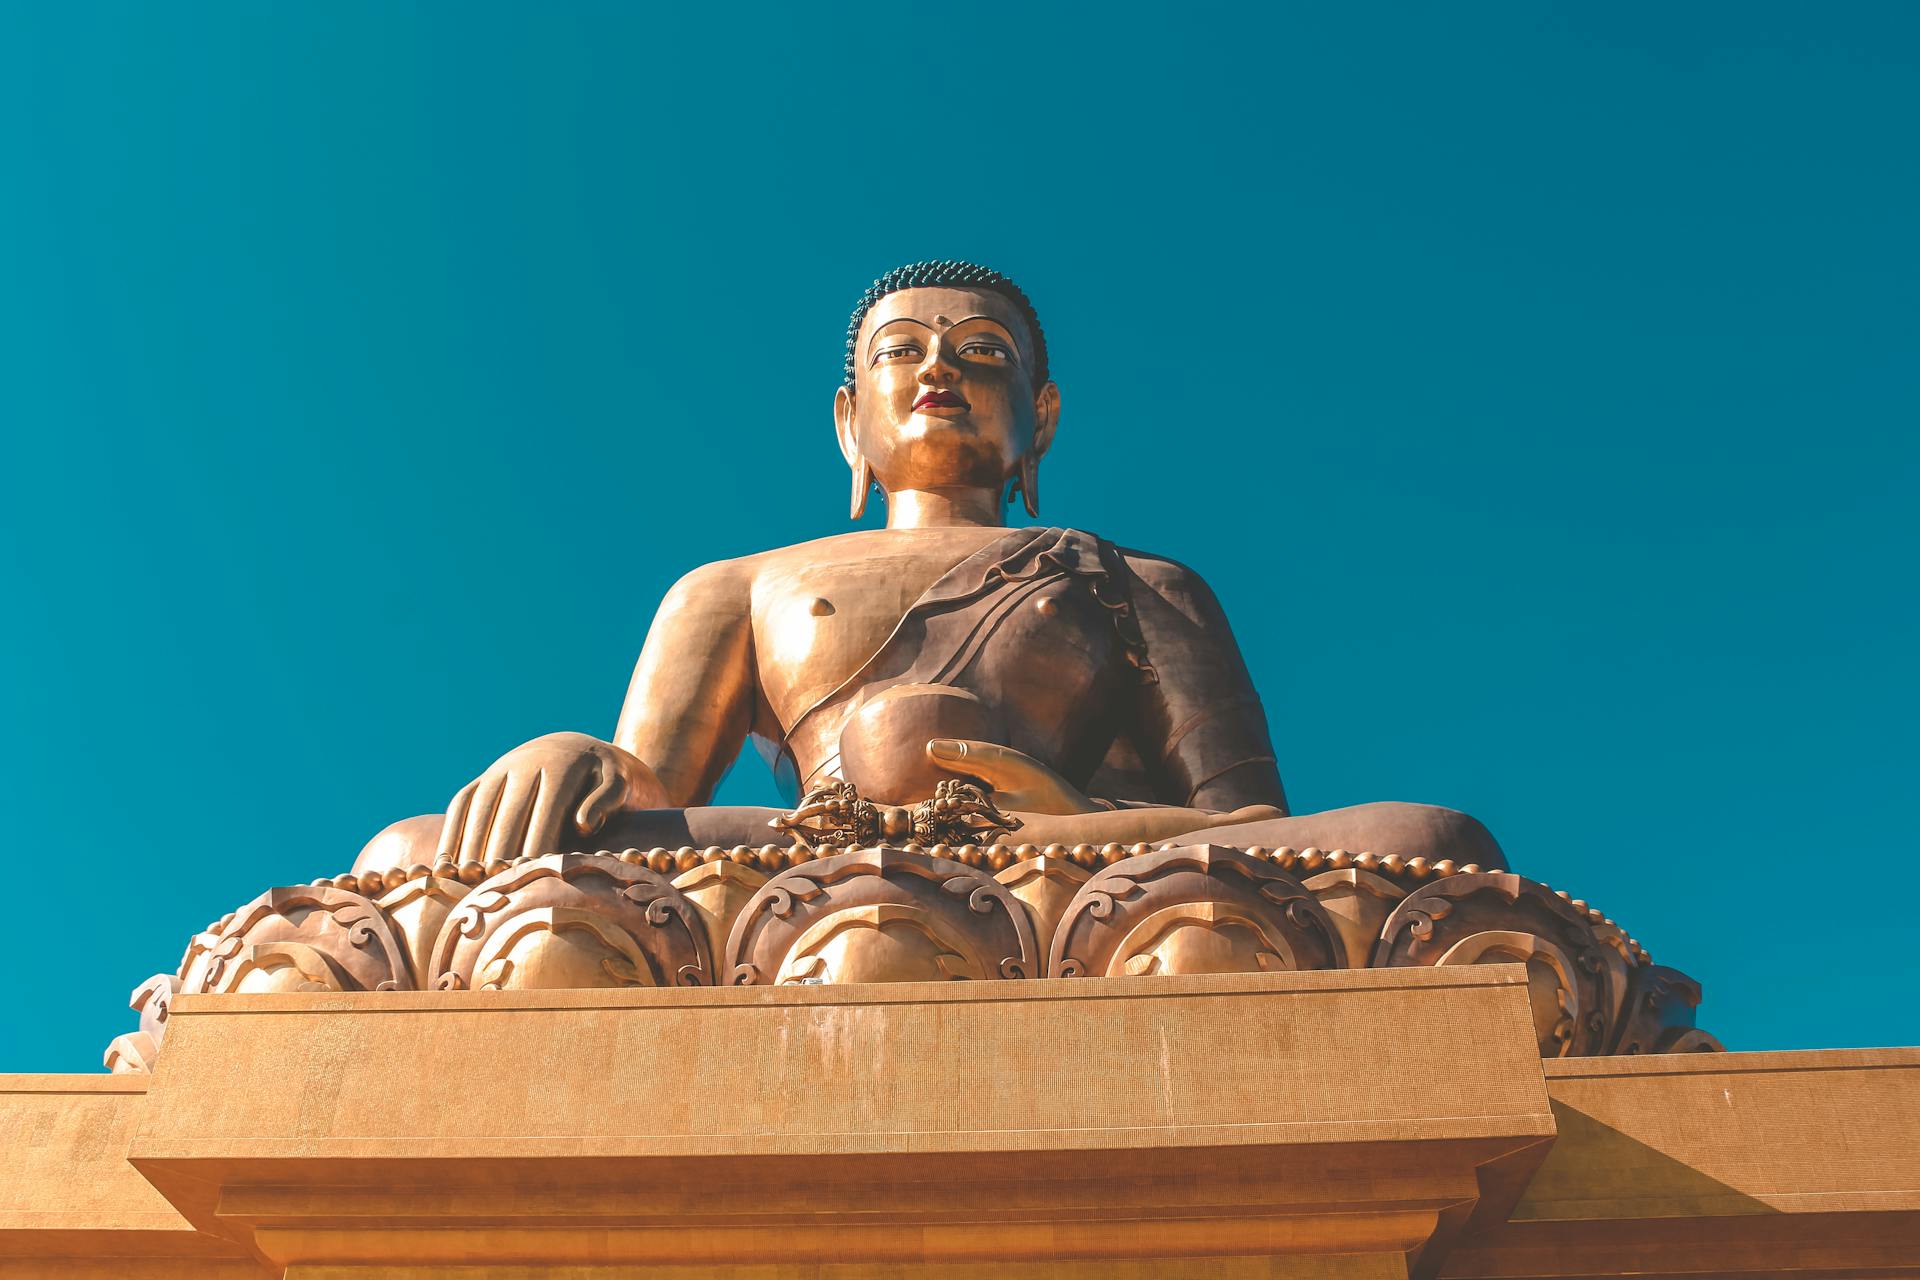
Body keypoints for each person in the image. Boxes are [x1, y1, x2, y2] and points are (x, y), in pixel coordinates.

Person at [356, 262, 1502, 875]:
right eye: (902, 351)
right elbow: (654, 796)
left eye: (982, 352)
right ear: (850, 421)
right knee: (411, 857)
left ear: (1039, 420)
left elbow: (1253, 827)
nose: (939, 368)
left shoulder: (1137, 580)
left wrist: (1066, 828)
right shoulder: (734, 585)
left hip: (1076, 857)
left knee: (1429, 846)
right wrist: (578, 757)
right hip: (806, 852)